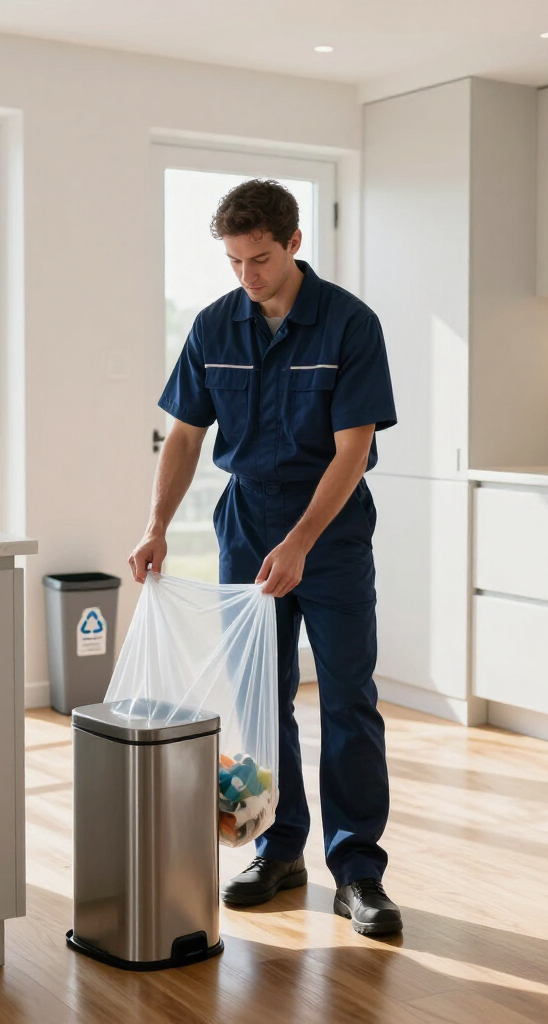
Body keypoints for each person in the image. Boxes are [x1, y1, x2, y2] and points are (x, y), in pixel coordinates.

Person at [128, 179, 401, 937]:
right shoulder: (215, 327)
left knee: (347, 698)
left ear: (294, 243)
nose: (249, 276)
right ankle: (280, 850)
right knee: (259, 698)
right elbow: (184, 436)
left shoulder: (349, 324)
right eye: (235, 262)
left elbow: (355, 449)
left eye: (262, 259)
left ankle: (358, 872)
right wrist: (156, 526)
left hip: (332, 531)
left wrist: (304, 541)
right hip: (246, 523)